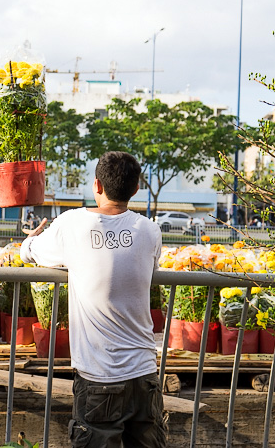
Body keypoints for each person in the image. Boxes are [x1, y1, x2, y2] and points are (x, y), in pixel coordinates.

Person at [20, 151, 167, 447]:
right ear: (136, 190)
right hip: (144, 374)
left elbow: (28, 252)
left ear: (96, 186)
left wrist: (30, 238)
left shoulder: (72, 224)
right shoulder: (150, 230)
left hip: (100, 376)